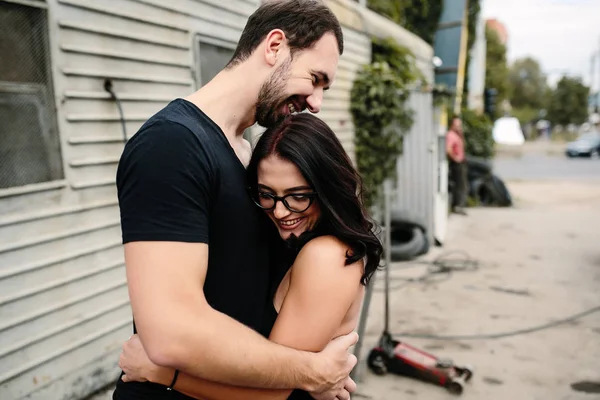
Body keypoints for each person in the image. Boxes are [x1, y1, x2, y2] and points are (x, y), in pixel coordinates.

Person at [112, 1, 359, 399]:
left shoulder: (250, 154)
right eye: (315, 79)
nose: (316, 102)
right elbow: (171, 333)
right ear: (274, 46)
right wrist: (311, 372)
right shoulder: (173, 144)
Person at [117, 113, 383, 400]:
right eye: (267, 194)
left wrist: (162, 373)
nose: (280, 211)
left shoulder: (328, 256)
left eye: (298, 196)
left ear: (328, 189)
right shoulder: (294, 243)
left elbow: (270, 395)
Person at [446, 116, 468, 215]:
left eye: (459, 124)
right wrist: (455, 158)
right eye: (456, 124)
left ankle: (460, 204)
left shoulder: (458, 135)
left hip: (461, 162)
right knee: (460, 184)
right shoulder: (451, 135)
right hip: (457, 163)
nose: (458, 126)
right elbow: (448, 149)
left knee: (462, 184)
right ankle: (458, 205)